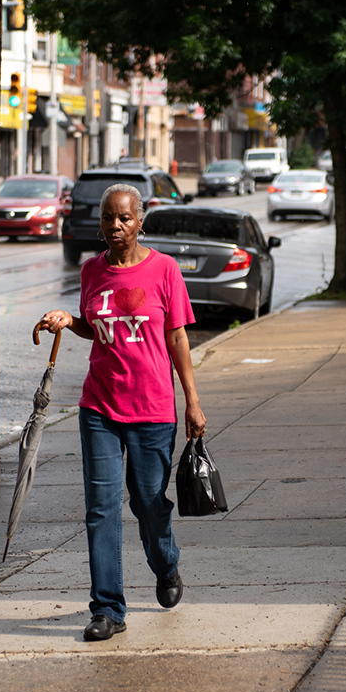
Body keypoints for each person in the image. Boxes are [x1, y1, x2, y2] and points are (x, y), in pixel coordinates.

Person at [36, 183, 206, 642]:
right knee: (101, 509)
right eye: (108, 218)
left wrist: (191, 399)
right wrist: (69, 322)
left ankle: (165, 563)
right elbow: (98, 325)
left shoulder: (164, 270)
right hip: (100, 408)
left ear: (140, 222)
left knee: (148, 503)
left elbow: (176, 339)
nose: (115, 226)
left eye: (125, 218)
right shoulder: (92, 271)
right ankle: (107, 609)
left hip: (152, 409)